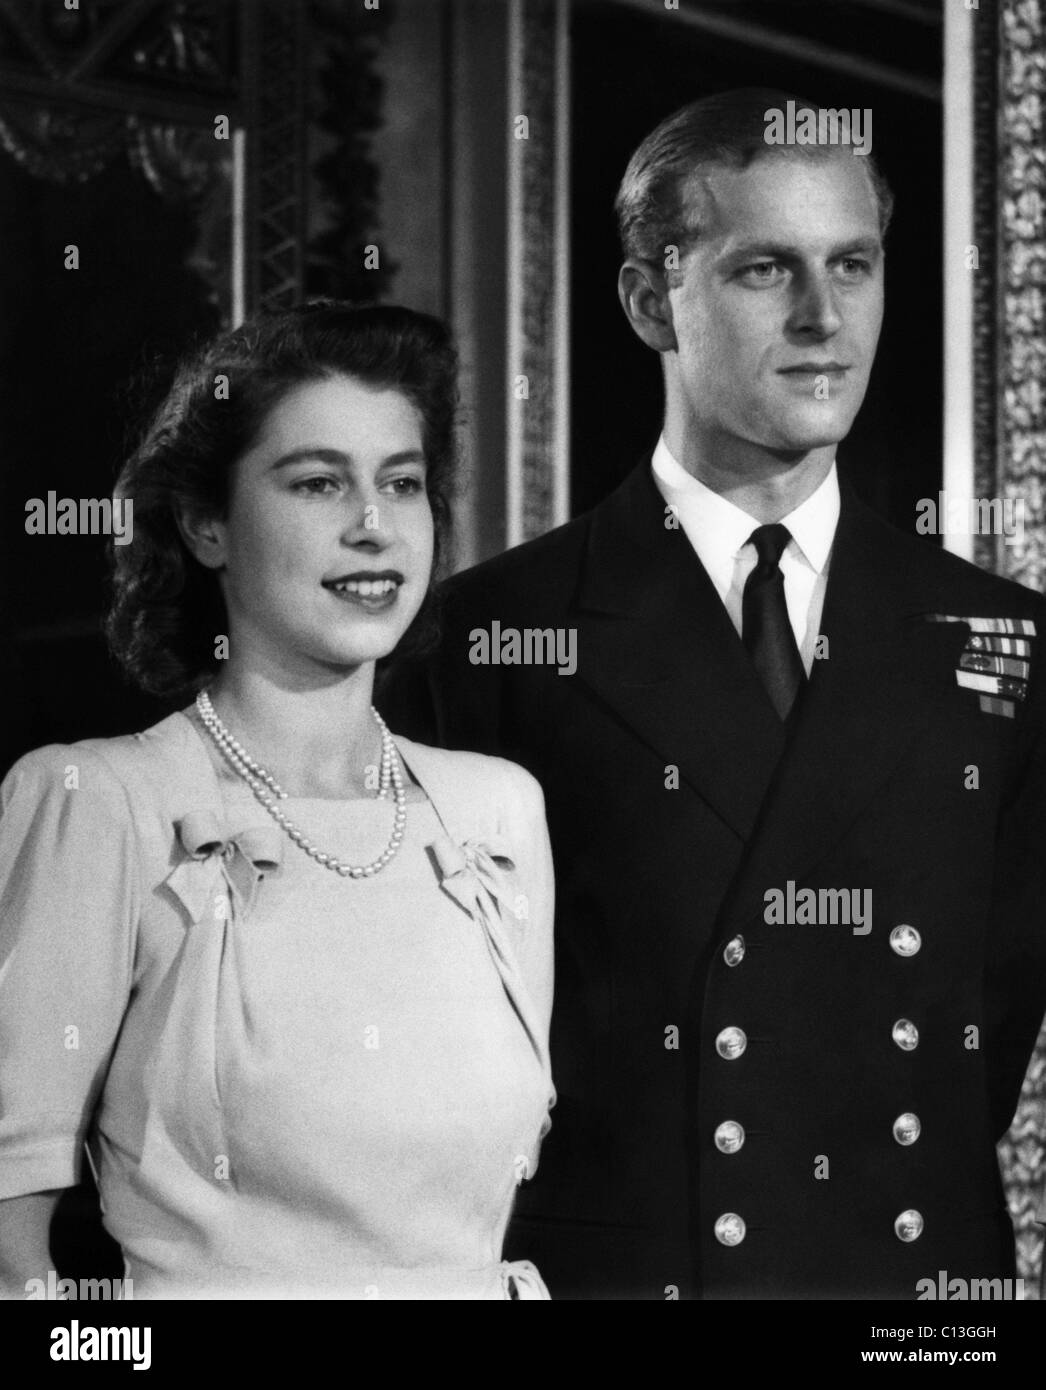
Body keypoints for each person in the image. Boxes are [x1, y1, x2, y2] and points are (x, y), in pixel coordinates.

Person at [380, 90, 1046, 1299]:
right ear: (650, 303)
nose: (822, 317)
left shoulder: (1001, 640)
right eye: (761, 271)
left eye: (852, 264)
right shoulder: (484, 637)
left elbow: (981, 1035)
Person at [0, 302, 555, 1300]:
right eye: (317, 483)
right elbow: (12, 1240)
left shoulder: (495, 816)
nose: (372, 526)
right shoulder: (101, 802)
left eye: (401, 483)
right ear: (208, 523)